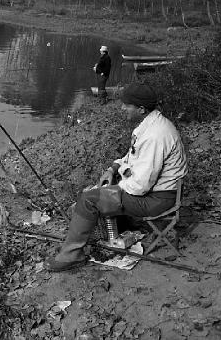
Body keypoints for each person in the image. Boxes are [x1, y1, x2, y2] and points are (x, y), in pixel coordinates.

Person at [45, 82, 187, 272]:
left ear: (141, 109)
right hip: (158, 192)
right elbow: (132, 157)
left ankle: (71, 256)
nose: (122, 108)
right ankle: (108, 233)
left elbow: (139, 186)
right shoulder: (149, 125)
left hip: (158, 200)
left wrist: (112, 189)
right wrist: (113, 168)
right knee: (100, 190)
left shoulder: (155, 135)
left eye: (127, 105)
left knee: (89, 199)